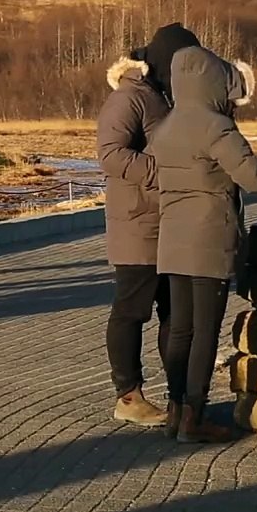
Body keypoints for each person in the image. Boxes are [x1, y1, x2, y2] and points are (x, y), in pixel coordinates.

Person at [149, 46, 257, 444]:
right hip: (209, 237)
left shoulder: (165, 127)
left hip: (172, 238)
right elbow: (254, 177)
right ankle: (194, 417)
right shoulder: (216, 127)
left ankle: (175, 410)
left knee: (180, 329)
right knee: (205, 331)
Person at [97, 22, 197, 427]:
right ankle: (128, 395)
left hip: (171, 222)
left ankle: (180, 396)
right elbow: (110, 154)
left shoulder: (167, 97)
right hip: (138, 223)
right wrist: (165, 173)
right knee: (132, 310)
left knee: (176, 313)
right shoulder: (130, 97)